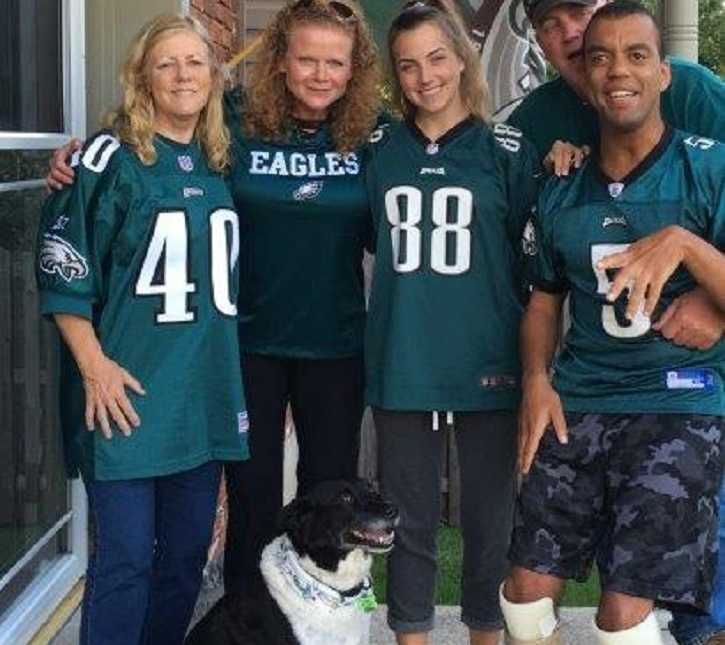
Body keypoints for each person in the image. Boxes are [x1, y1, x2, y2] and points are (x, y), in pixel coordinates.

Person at [46, 0, 381, 598]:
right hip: (244, 342)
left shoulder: (372, 136)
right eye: (307, 59)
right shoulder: (238, 118)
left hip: (333, 343)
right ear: (280, 61)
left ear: (355, 69)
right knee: (251, 499)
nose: (321, 74)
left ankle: (323, 619)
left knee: (330, 497)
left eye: (336, 63)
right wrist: (81, 160)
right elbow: (158, 114)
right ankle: (247, 620)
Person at [501, 4, 724, 645]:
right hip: (580, 398)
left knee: (623, 615)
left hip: (676, 400)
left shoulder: (708, 166)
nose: (616, 70)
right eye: (600, 58)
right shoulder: (562, 180)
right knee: (522, 601)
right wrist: (537, 380)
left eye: (635, 56)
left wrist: (685, 244)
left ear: (664, 74)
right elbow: (542, 300)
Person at [36, 15, 247, 645]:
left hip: (202, 396)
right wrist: (94, 365)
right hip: (126, 392)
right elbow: (64, 266)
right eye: (166, 63)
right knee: (125, 561)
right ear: (142, 78)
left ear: (214, 76)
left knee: (184, 561)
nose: (183, 75)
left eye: (195, 62)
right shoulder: (108, 158)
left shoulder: (218, 157)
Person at [365, 2, 540, 644]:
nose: (425, 76)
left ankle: (484, 636)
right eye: (408, 65)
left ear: (462, 59)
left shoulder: (507, 151)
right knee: (405, 521)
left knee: (490, 520)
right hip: (404, 360)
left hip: (486, 360)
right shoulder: (377, 151)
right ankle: (412, 635)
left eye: (437, 57)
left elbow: (533, 261)